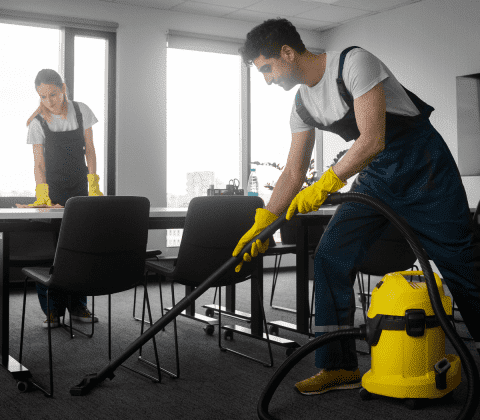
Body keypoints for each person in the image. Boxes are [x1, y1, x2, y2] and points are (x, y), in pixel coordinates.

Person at [234, 18, 480, 396]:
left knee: (461, 263)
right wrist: (264, 221)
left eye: (267, 68)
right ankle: (338, 366)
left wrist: (328, 182)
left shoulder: (354, 64)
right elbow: (294, 170)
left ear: (287, 52)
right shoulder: (301, 105)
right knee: (331, 255)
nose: (267, 79)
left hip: (425, 171)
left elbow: (372, 140)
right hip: (378, 179)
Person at [26, 69, 103, 328]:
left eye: (54, 94)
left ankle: (79, 306)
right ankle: (53, 310)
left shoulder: (81, 111)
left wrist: (93, 184)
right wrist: (43, 196)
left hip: (81, 187)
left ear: (64, 88)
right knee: (58, 250)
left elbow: (90, 150)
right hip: (54, 192)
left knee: (80, 248)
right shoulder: (37, 122)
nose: (49, 101)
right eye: (43, 96)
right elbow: (39, 165)